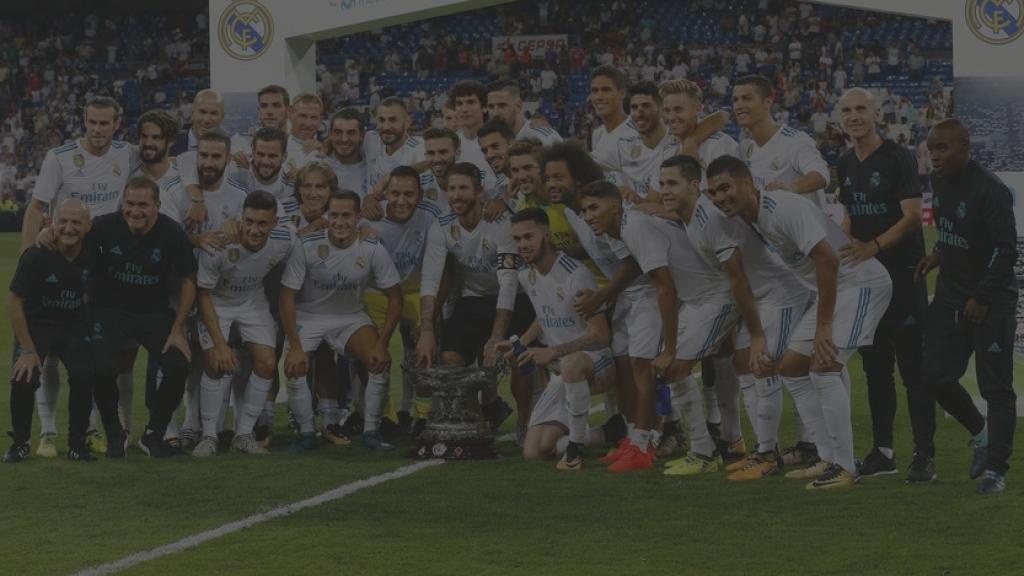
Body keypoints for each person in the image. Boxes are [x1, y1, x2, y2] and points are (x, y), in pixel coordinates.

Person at [707, 156, 892, 489]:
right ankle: (826, 457)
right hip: (836, 289)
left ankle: (845, 467)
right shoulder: (754, 216)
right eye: (714, 192)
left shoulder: (781, 209)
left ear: (747, 184)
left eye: (725, 187)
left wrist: (822, 327)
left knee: (824, 366)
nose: (720, 198)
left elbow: (827, 259)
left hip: (861, 284)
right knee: (792, 366)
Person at [23, 96, 137, 457]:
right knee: (52, 354)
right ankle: (48, 432)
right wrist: (31, 260)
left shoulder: (128, 154)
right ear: (83, 121)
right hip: (62, 261)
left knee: (91, 352)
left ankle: (91, 430)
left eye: (105, 123)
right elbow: (37, 208)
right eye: (92, 122)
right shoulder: (59, 157)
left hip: (104, 268)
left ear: (117, 123)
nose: (98, 130)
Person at [835, 88, 935, 481]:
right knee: (876, 369)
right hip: (867, 283)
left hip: (903, 275)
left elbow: (912, 217)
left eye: (861, 109)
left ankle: (924, 455)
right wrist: (840, 246)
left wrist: (871, 247)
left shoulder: (897, 157)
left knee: (914, 370)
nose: (854, 116)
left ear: (877, 114)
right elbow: (850, 216)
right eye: (847, 110)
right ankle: (883, 452)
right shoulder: (844, 162)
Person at [916, 119, 1018, 494]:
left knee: (996, 387)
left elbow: (1006, 249)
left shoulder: (991, 190)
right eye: (930, 149)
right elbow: (953, 234)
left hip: (992, 301)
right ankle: (981, 433)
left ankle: (997, 471)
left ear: (964, 147)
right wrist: (937, 255)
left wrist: (982, 296)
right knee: (933, 375)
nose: (934, 157)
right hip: (950, 294)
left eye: (941, 148)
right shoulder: (940, 182)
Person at [280, 190, 403, 451]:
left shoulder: (372, 249)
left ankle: (371, 430)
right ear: (327, 215)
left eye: (346, 215)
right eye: (334, 215)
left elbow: (395, 298)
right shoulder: (307, 245)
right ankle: (305, 433)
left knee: (378, 361)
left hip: (351, 317)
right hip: (309, 317)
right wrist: (294, 346)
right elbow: (286, 297)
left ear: (358, 217)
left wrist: (382, 343)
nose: (339, 222)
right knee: (295, 365)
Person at [87, 176, 198, 457]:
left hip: (153, 313)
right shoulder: (102, 226)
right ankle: (115, 433)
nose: (135, 211)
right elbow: (70, 238)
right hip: (110, 311)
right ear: (122, 203)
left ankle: (154, 434)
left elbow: (188, 281)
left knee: (178, 365)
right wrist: (46, 234)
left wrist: (178, 327)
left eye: (143, 205)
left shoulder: (172, 232)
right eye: (130, 203)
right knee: (101, 370)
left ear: (157, 206)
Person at [497, 208, 615, 470]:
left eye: (529, 237)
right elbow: (546, 312)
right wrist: (523, 342)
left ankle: (575, 450)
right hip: (563, 370)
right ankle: (608, 433)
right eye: (517, 239)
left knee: (570, 364)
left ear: (547, 236)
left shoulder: (576, 274)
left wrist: (555, 351)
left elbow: (601, 335)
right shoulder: (526, 275)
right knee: (534, 452)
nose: (522, 245)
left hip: (596, 362)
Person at [416, 162, 531, 429]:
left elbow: (509, 280)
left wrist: (496, 335)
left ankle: (526, 421)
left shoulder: (501, 223)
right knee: (451, 359)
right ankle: (477, 424)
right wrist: (426, 329)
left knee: (518, 356)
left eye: (464, 188)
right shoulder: (441, 225)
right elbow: (430, 280)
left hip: (516, 298)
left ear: (479, 191)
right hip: (473, 298)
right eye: (452, 189)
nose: (457, 195)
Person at [194, 191, 297, 456]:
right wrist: (219, 344)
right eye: (249, 221)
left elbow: (310, 240)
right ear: (241, 218)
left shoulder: (286, 239)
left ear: (274, 223)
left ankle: (243, 434)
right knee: (216, 362)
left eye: (262, 224)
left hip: (252, 300)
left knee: (268, 362)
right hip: (216, 300)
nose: (254, 229)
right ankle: (208, 436)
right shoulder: (219, 243)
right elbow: (203, 294)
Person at [4, 200, 99, 463]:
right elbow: (14, 303)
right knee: (24, 376)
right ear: (52, 223)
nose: (69, 228)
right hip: (38, 326)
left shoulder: (94, 255)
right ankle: (21, 442)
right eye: (63, 221)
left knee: (84, 374)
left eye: (76, 222)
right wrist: (26, 349)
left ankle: (77, 444)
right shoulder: (36, 255)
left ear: (88, 226)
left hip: (74, 327)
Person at [360, 166, 436, 436]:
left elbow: (442, 266)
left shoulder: (431, 218)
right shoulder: (368, 218)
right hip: (377, 293)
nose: (402, 201)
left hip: (416, 291)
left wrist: (429, 320)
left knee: (424, 350)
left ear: (421, 195)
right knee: (374, 354)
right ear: (385, 193)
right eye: (395, 193)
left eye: (409, 194)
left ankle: (421, 415)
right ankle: (387, 417)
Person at [731, 75, 829, 208]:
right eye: (735, 100)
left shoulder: (795, 140)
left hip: (804, 227)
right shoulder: (744, 149)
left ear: (768, 101)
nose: (739, 105)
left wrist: (790, 188)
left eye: (746, 98)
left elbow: (821, 175)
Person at [588, 65, 638, 171]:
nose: (599, 97)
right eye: (595, 90)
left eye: (606, 90)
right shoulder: (598, 134)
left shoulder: (636, 134)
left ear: (622, 93)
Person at [486, 80, 562, 146]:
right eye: (491, 106)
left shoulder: (543, 138)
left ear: (518, 106)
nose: (495, 113)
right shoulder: (490, 142)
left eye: (502, 106)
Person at [324, 108, 370, 199]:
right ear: (330, 134)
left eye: (351, 133)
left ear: (362, 135)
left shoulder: (372, 169)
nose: (344, 139)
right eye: (338, 132)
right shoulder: (319, 165)